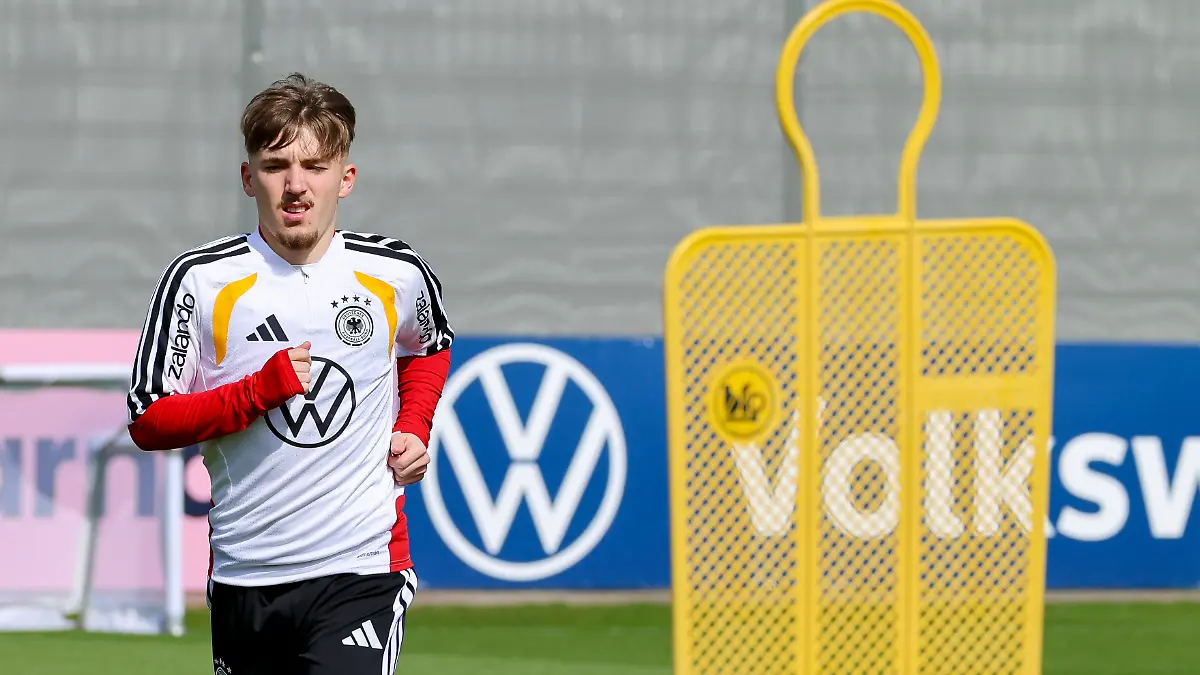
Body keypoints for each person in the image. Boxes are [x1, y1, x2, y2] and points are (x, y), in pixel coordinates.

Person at [125, 72, 453, 675]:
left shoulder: (396, 272)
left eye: (315, 166)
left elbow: (428, 347)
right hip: (246, 574)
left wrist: (414, 425)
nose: (296, 186)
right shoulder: (200, 281)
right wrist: (258, 392)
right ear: (249, 178)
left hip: (361, 569)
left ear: (345, 178)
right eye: (276, 166)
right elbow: (149, 419)